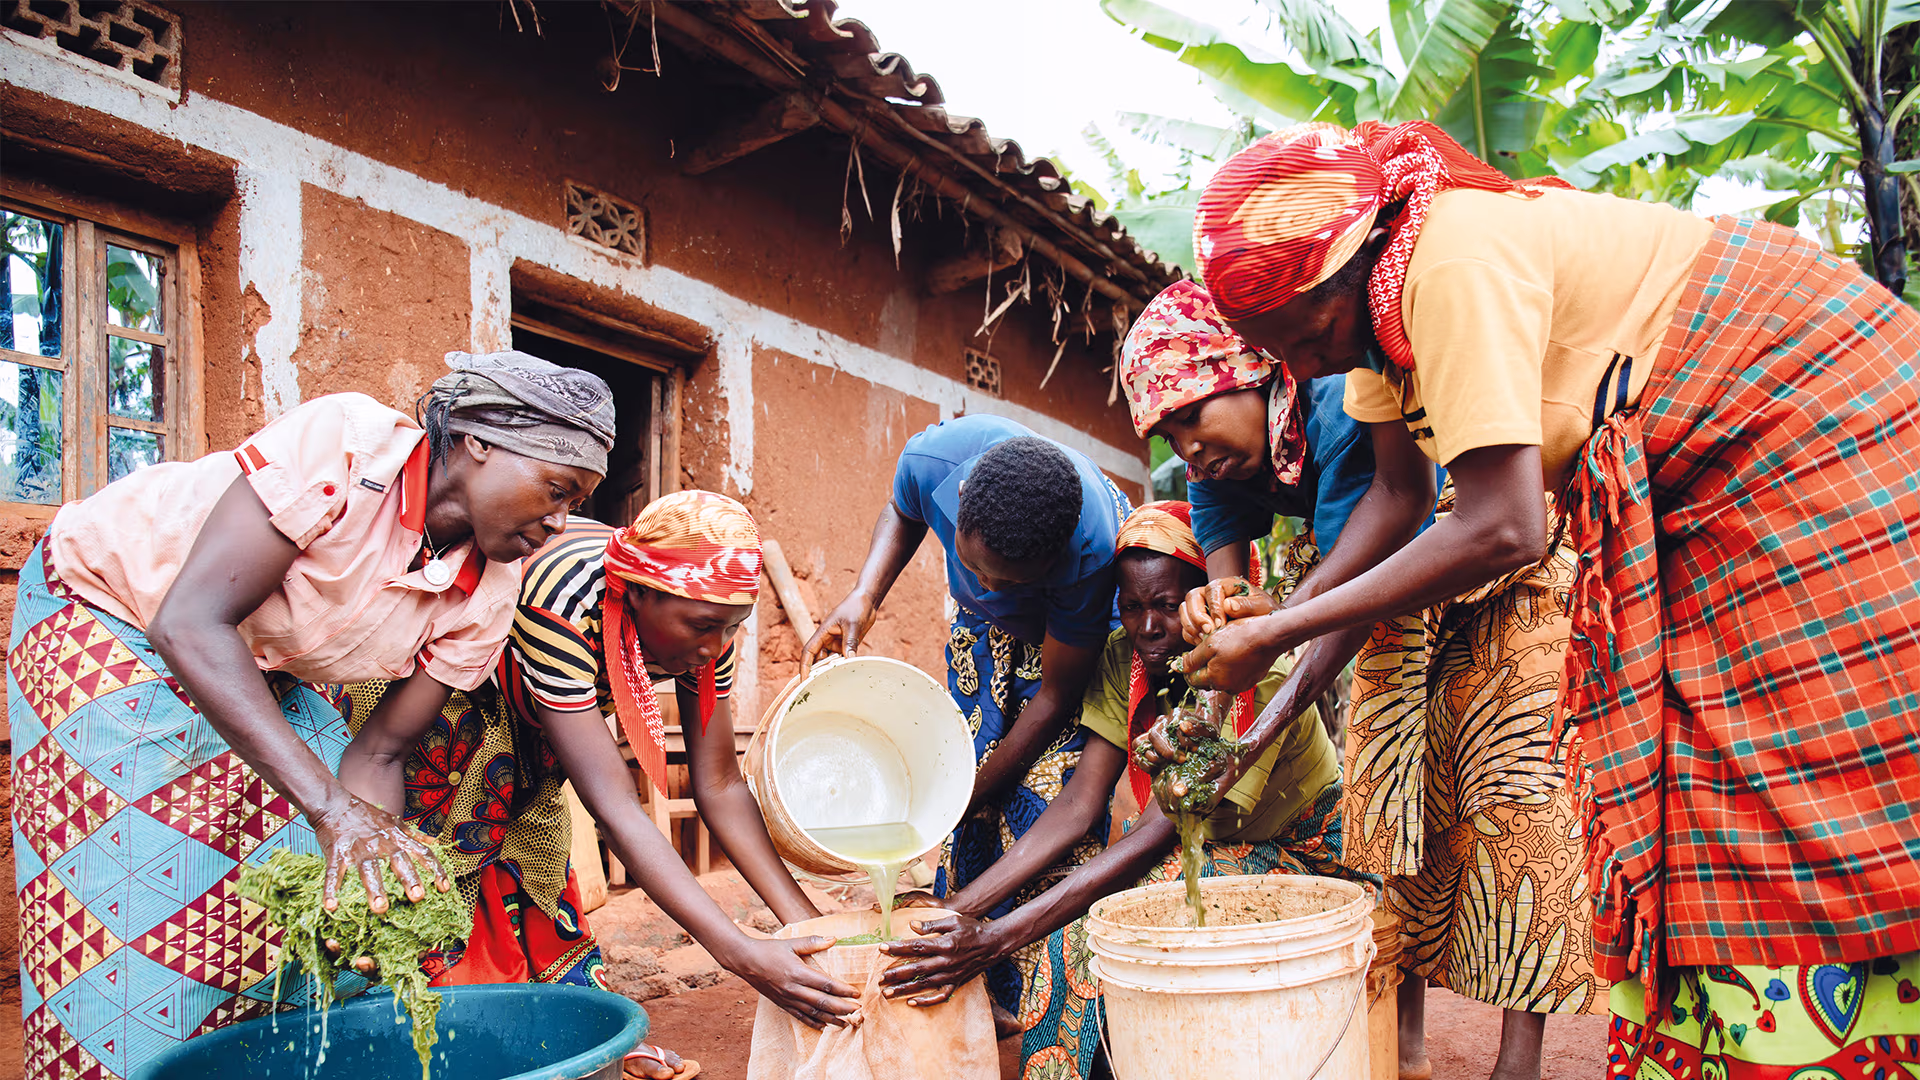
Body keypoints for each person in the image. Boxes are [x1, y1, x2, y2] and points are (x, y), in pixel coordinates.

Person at [1171, 119, 1920, 1077]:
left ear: (1346, 271)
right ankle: (1718, 1047)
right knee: (1683, 774)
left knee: (1790, 766)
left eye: (1309, 337)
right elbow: (1397, 502)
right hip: (1691, 479)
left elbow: (1504, 525)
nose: (1308, 369)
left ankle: (1835, 1040)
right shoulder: (1377, 330)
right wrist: (1273, 643)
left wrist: (1283, 625)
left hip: (1803, 422)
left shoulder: (1449, 261)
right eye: (1288, 356)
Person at [8, 351, 616, 1080]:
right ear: (480, 442)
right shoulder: (350, 446)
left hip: (264, 658)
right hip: (116, 610)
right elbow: (192, 623)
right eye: (556, 489)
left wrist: (367, 882)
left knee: (307, 898)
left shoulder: (488, 591)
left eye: (573, 504)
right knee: (139, 896)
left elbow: (379, 755)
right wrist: (333, 811)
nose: (559, 522)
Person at [1128, 280, 1604, 1080]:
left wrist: (1257, 733)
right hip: (1372, 572)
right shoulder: (1214, 474)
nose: (1188, 450)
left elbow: (1343, 594)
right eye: (1168, 435)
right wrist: (1212, 724)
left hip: (1489, 544)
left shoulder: (1339, 401)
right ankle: (1404, 1050)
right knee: (1389, 794)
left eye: (1193, 416)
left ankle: (1517, 1063)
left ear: (1252, 371)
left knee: (1515, 796)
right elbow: (1233, 622)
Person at [339, 490, 859, 1080]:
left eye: (731, 627)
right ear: (636, 591)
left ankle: (569, 1041)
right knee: (438, 881)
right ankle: (459, 1044)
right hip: (444, 706)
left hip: (533, 725)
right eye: (703, 627)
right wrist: (741, 953)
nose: (714, 647)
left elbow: (718, 783)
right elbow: (615, 810)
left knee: (531, 867)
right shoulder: (564, 593)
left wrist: (812, 928)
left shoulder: (709, 620)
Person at [876, 501, 1366, 1080]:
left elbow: (1162, 834)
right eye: (1131, 607)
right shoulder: (1122, 661)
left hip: (1304, 853)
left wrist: (995, 937)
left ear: (1203, 597)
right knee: (1078, 921)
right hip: (1203, 848)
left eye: (1165, 606)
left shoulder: (1255, 664)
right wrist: (964, 908)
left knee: (1092, 926)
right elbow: (1079, 806)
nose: (1149, 627)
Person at [804, 416, 1131, 1018]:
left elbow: (1056, 697)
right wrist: (866, 593)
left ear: (1050, 562)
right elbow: (902, 511)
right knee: (969, 782)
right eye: (974, 566)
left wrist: (961, 793)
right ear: (960, 505)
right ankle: (976, 992)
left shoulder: (1089, 551)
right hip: (983, 638)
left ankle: (1037, 1003)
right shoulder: (935, 461)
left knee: (1037, 803)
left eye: (1008, 580)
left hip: (1066, 649)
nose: (985, 584)